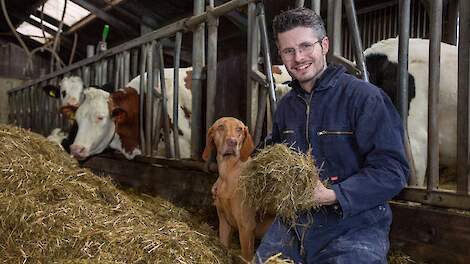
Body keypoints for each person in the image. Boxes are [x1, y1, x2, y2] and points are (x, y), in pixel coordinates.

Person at [255, 7, 409, 263]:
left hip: (355, 225)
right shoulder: (286, 106)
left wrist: (333, 194)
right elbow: (274, 154)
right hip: (296, 223)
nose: (298, 57)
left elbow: (393, 171)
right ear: (280, 55)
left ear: (324, 44)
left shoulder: (364, 98)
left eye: (306, 46)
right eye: (288, 51)